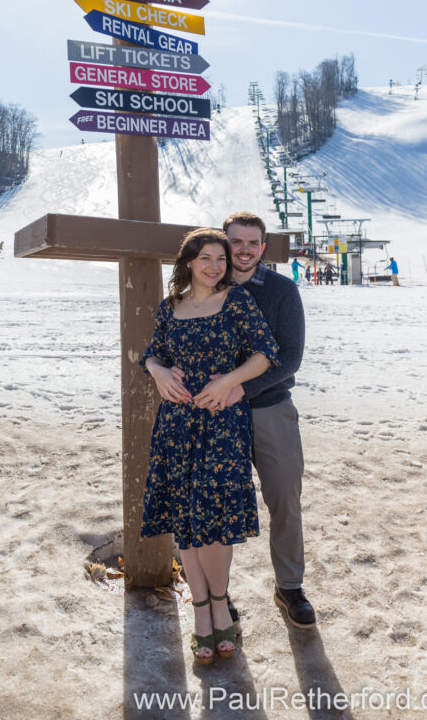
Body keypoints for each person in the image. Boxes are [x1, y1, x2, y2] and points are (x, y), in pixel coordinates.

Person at [140, 228, 280, 664]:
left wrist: (228, 380)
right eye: (207, 258)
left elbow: (264, 353)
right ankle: (201, 610)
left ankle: (220, 602)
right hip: (177, 424)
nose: (216, 265)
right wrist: (157, 371)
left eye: (221, 258)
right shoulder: (170, 307)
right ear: (189, 262)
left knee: (216, 516)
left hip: (221, 420)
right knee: (186, 514)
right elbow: (152, 352)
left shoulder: (236, 302)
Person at [172, 212, 315, 629]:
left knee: (284, 499)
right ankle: (218, 596)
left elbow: (290, 357)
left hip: (268, 409)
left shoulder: (281, 291)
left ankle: (290, 586)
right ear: (224, 242)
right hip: (212, 417)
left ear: (263, 247)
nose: (244, 250)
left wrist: (239, 390)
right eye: (236, 242)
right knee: (212, 505)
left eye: (253, 243)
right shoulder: (204, 288)